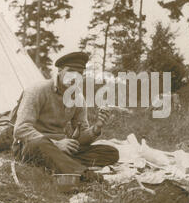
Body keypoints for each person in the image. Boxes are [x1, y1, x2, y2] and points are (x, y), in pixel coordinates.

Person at [10, 52, 119, 182]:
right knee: (41, 144)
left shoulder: (78, 98)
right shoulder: (37, 90)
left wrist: (96, 128)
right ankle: (81, 174)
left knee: (110, 152)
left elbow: (80, 137)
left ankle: (58, 162)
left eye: (79, 73)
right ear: (60, 71)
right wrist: (56, 144)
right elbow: (21, 129)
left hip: (61, 147)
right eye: (71, 71)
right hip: (31, 145)